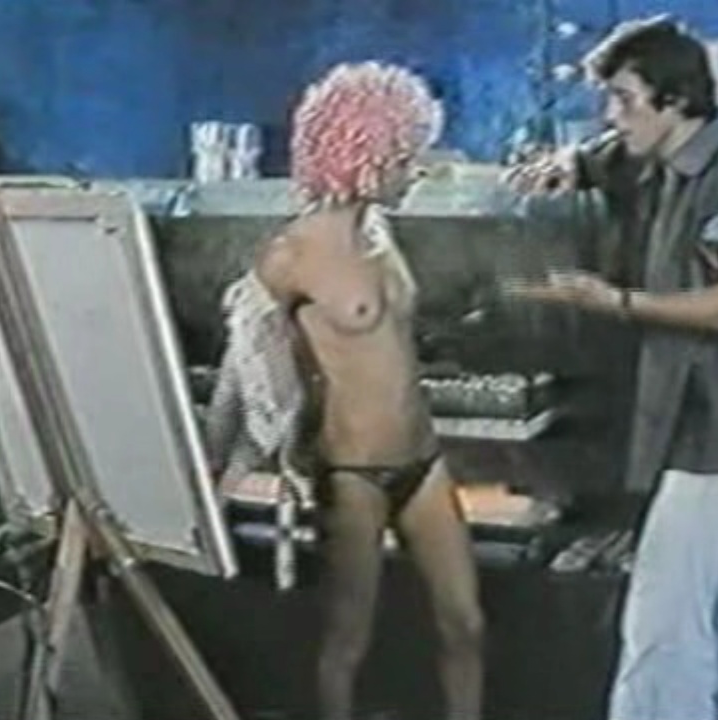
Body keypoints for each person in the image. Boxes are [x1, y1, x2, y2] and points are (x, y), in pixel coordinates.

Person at [504, 15, 718, 720]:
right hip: (696, 416)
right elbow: (607, 155)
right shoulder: (663, 154)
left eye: (624, 99)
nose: (612, 115)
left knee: (661, 621)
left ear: (678, 100)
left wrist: (617, 302)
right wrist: (568, 164)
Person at [205, 61, 484, 720]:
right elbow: (244, 361)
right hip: (354, 473)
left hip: (423, 461)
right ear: (365, 155)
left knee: (466, 624)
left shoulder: (381, 235)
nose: (413, 173)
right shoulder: (292, 254)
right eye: (403, 159)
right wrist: (222, 467)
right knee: (346, 641)